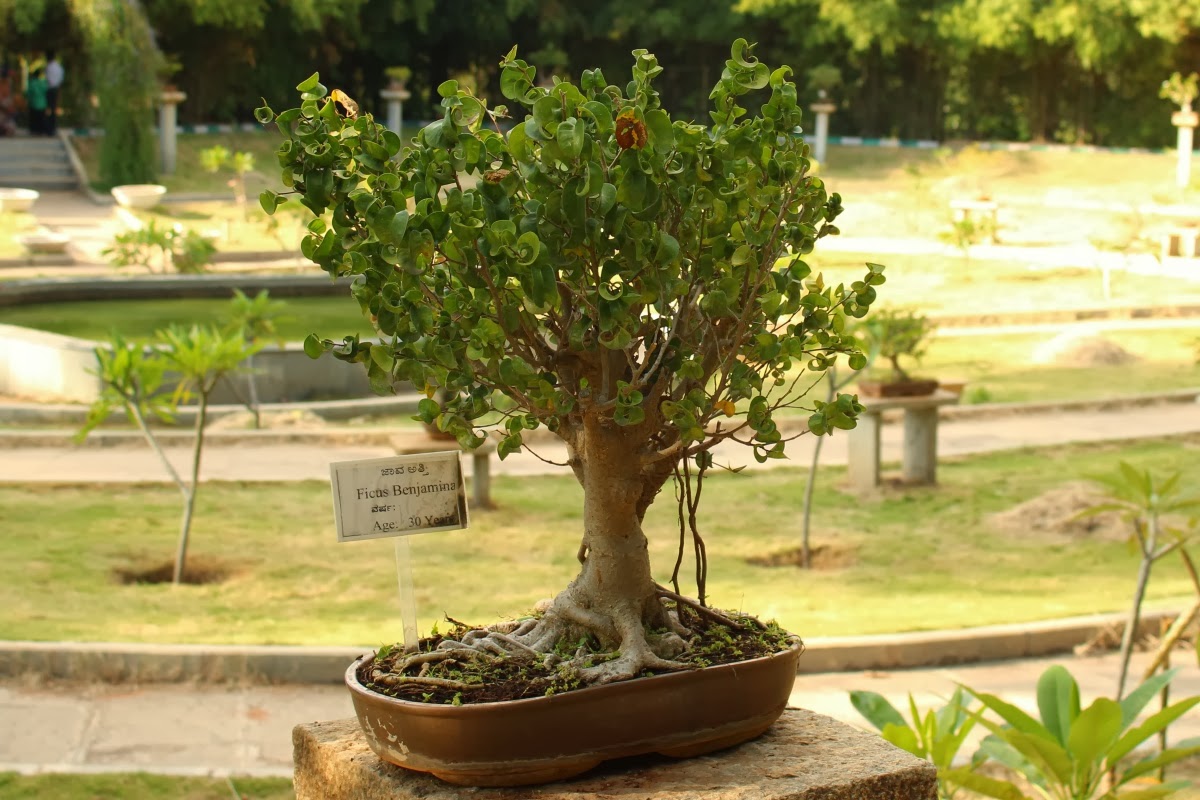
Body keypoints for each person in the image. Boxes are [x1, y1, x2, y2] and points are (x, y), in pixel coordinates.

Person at [44, 50, 63, 135]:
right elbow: (60, 80)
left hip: (50, 89)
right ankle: (52, 128)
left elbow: (47, 79)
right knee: (53, 109)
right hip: (55, 89)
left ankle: (50, 128)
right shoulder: (59, 67)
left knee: (49, 109)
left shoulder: (49, 67)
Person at [25, 67, 48, 135]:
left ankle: (34, 130)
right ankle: (41, 130)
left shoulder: (32, 83)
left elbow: (28, 93)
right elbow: (46, 92)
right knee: (41, 118)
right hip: (42, 103)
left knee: (34, 118)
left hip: (34, 103)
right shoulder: (43, 83)